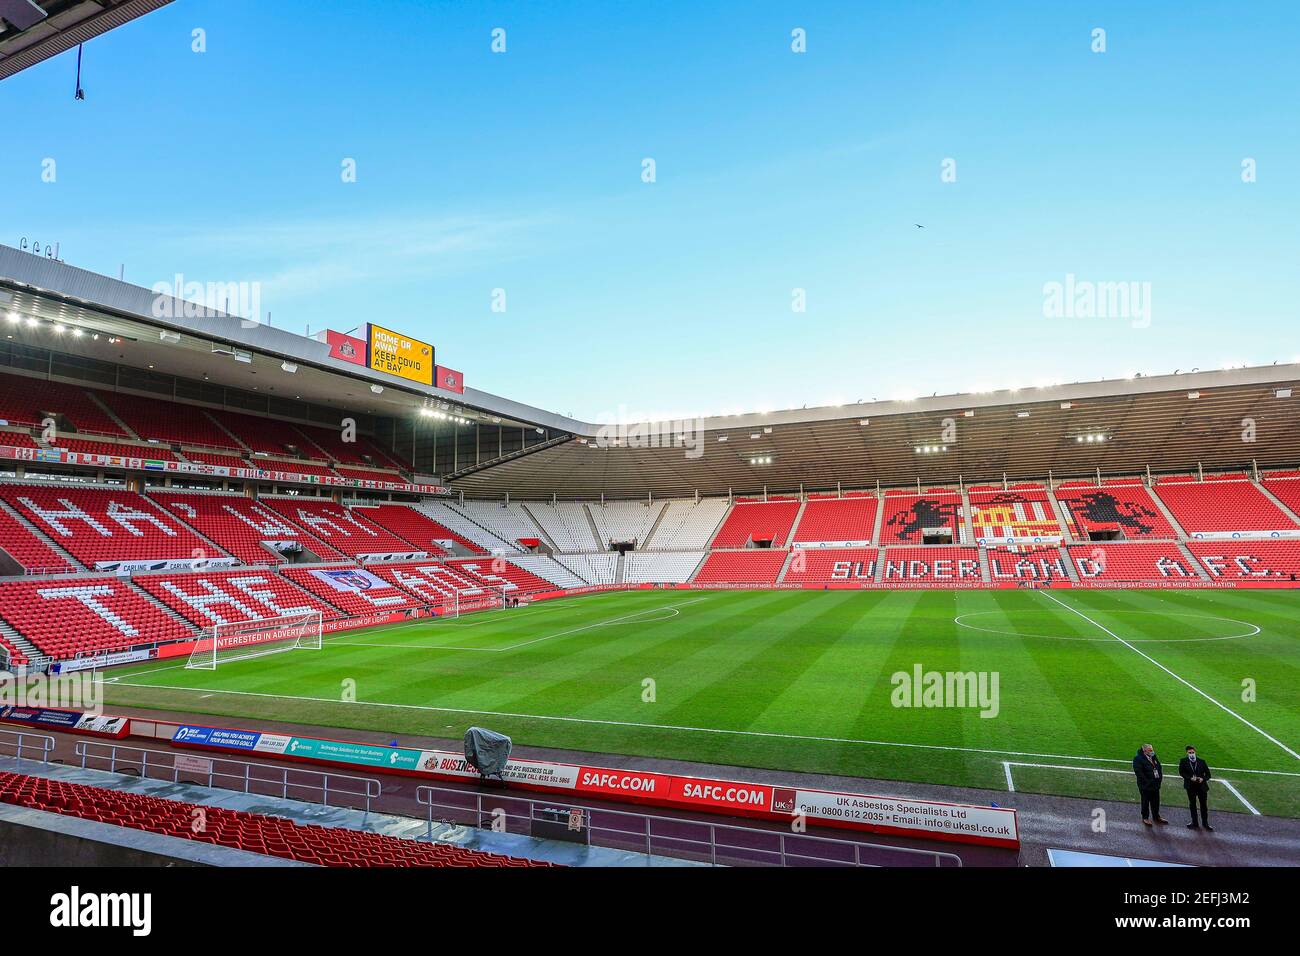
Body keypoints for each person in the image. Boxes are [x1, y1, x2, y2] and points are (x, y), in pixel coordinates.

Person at [1178, 745, 1214, 831]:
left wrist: (1203, 779)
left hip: (1202, 787)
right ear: (1187, 753)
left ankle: (1205, 823)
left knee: (1203, 806)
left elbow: (1208, 774)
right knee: (1192, 805)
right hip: (1190, 787)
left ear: (1195, 752)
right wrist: (1190, 778)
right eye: (1190, 753)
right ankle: (1194, 822)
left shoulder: (1202, 761)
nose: (1191, 754)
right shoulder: (1183, 761)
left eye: (1193, 752)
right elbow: (1181, 772)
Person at [1132, 743, 1168, 826]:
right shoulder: (1138, 759)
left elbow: (1159, 767)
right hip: (1145, 785)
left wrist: (1159, 780)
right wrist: (1147, 782)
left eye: (1152, 750)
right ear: (1144, 751)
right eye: (1150, 750)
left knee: (1156, 801)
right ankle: (1145, 817)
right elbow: (1139, 772)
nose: (1152, 751)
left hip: (1155, 784)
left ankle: (1156, 816)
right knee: (1145, 801)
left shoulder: (1153, 757)